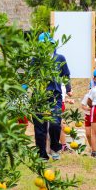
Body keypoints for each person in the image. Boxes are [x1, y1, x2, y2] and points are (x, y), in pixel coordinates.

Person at [33, 32, 72, 161]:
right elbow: (29, 77)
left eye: (47, 44)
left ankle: (55, 148)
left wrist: (68, 89)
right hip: (39, 97)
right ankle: (42, 154)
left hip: (55, 96)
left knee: (55, 123)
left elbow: (65, 75)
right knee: (40, 127)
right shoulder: (35, 60)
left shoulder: (60, 58)